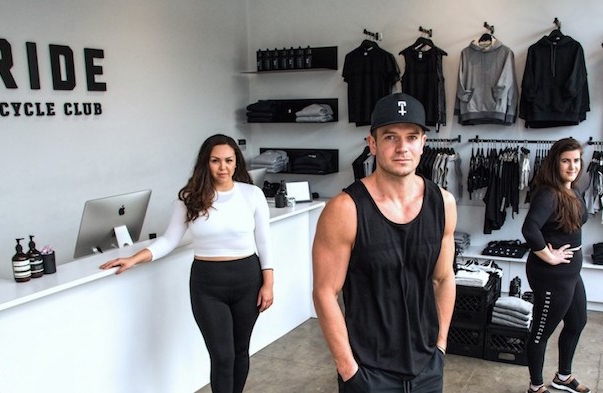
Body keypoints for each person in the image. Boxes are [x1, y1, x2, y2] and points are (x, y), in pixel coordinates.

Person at [100, 134, 274, 393]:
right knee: (222, 356)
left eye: (228, 160)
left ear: (237, 162)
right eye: (215, 161)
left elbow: (264, 242)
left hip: (248, 279)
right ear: (206, 163)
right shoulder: (190, 198)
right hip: (207, 284)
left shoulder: (252, 195)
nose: (223, 167)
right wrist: (134, 259)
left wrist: (268, 284)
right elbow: (169, 240)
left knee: (240, 351)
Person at [312, 92, 457, 392]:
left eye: (412, 137)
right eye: (390, 137)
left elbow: (443, 278)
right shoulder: (345, 209)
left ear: (423, 143)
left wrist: (440, 348)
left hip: (426, 368)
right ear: (373, 144)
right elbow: (325, 292)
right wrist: (349, 369)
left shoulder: (443, 203)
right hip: (368, 372)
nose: (402, 147)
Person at [521, 137, 590, 393]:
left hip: (571, 272)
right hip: (552, 275)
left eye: (576, 160)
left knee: (577, 322)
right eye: (565, 161)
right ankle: (536, 387)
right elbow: (530, 228)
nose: (572, 166)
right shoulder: (549, 193)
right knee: (541, 332)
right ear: (555, 162)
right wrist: (549, 256)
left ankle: (563, 377)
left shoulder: (573, 189)